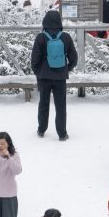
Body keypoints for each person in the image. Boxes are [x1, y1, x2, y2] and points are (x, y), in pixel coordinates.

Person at [31, 10, 78, 140]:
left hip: (44, 76)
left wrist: (38, 72)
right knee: (61, 106)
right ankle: (62, 134)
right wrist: (66, 69)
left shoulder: (41, 37)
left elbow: (34, 59)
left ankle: (41, 130)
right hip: (60, 77)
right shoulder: (65, 37)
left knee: (43, 104)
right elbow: (74, 58)